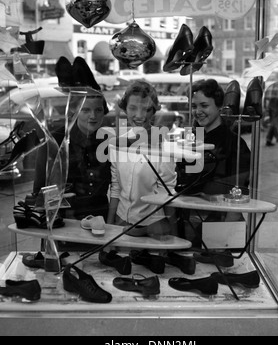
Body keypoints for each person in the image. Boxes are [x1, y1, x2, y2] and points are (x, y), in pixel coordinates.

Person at [176, 79, 251, 229]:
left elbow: (238, 194)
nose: (198, 111)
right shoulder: (190, 139)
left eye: (204, 105)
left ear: (219, 106)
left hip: (219, 221)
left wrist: (223, 237)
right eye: (194, 106)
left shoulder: (234, 144)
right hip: (187, 220)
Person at [107, 81, 178, 237]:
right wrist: (110, 227)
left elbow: (167, 193)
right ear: (125, 108)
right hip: (121, 220)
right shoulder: (118, 145)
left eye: (145, 109)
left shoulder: (163, 148)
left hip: (152, 226)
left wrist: (173, 237)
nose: (139, 115)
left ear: (153, 112)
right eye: (133, 108)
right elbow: (116, 187)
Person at [32, 89, 112, 221]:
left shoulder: (107, 141)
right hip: (63, 220)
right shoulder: (55, 141)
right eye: (85, 110)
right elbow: (38, 192)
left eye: (98, 110)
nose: (93, 116)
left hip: (100, 220)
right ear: (75, 111)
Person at [264, 71, 278, 147]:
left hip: (270, 105)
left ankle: (276, 136)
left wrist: (266, 107)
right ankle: (269, 139)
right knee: (274, 123)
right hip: (276, 105)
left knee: (274, 122)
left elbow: (266, 97)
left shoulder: (271, 85)